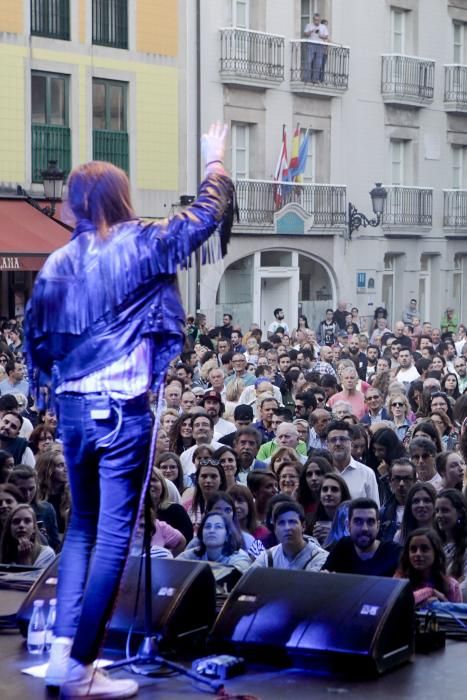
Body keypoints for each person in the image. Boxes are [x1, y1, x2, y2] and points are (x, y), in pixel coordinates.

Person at [25, 123, 235, 697]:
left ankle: (63, 653)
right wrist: (213, 161)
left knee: (79, 532)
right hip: (121, 408)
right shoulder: (139, 242)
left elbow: (36, 340)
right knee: (113, 536)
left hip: (71, 412)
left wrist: (62, 381)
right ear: (120, 199)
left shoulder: (56, 265)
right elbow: (204, 216)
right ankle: (80, 665)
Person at [324, 498, 401, 576]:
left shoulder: (394, 553)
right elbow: (324, 576)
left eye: (370, 522)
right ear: (348, 525)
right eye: (358, 522)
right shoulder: (342, 548)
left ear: (378, 526)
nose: (364, 528)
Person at [253, 501, 328, 571]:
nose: (287, 528)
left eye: (292, 522)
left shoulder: (320, 557)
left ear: (303, 526)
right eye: (281, 523)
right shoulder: (267, 558)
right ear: (275, 529)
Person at [394, 528, 462, 606]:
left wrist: (443, 604)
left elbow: (457, 615)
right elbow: (397, 605)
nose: (418, 554)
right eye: (413, 549)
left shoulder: (452, 585)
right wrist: (429, 591)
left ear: (436, 552)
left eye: (424, 549)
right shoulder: (399, 580)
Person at [177, 510, 251, 573]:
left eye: (218, 527)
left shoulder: (240, 558)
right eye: (207, 526)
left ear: (227, 535)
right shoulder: (190, 556)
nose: (211, 531)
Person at [326, 421, 380, 504]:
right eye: (333, 440)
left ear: (351, 442)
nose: (338, 443)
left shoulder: (367, 474)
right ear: (327, 444)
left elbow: (374, 510)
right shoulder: (322, 471)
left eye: (342, 439)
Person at [435, 488, 467, 601]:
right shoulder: (433, 543)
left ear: (460, 513)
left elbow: (464, 591)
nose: (439, 515)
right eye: (437, 510)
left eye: (445, 510)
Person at [0, 504, 55, 568]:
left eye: (27, 521)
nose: (21, 525)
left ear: (34, 528)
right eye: (16, 521)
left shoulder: (46, 554)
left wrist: (25, 560)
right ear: (9, 528)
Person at [308, 472, 351, 545]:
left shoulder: (351, 520)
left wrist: (334, 535)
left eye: (334, 490)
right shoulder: (311, 520)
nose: (328, 493)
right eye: (325, 489)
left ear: (342, 495)